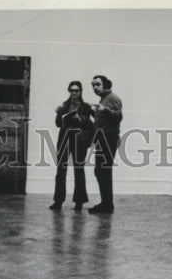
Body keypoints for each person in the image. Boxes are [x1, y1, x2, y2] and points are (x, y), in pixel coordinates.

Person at [51, 80, 93, 211]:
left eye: (77, 90)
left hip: (79, 140)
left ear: (80, 91)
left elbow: (91, 124)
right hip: (64, 139)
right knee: (60, 171)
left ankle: (79, 202)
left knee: (79, 170)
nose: (74, 93)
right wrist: (59, 113)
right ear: (69, 91)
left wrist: (82, 119)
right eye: (72, 90)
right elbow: (58, 124)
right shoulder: (64, 105)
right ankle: (58, 201)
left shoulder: (85, 106)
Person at [89, 75, 123, 214]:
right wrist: (92, 112)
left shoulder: (112, 98)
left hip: (109, 140)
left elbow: (118, 117)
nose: (95, 87)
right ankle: (106, 203)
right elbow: (102, 120)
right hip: (103, 140)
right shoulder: (104, 100)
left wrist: (105, 110)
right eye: (93, 85)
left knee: (103, 170)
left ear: (106, 84)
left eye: (98, 84)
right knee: (101, 170)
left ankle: (107, 204)